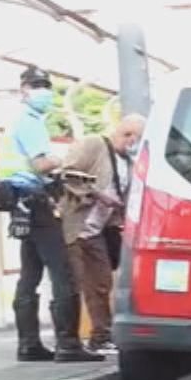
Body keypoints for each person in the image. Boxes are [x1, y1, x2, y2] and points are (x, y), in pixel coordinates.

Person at [0, 67, 100, 363]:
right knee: (63, 269)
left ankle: (28, 344)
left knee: (30, 271)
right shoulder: (30, 122)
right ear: (23, 90)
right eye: (36, 85)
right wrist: (61, 160)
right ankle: (68, 344)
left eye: (45, 85)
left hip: (19, 203)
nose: (42, 90)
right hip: (35, 201)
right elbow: (41, 164)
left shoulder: (18, 120)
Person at [58, 114, 144, 355]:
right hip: (74, 226)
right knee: (74, 284)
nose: (132, 143)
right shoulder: (94, 144)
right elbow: (67, 174)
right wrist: (96, 194)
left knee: (101, 283)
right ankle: (70, 340)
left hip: (98, 230)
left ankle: (101, 336)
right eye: (131, 137)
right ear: (125, 134)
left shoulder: (128, 162)